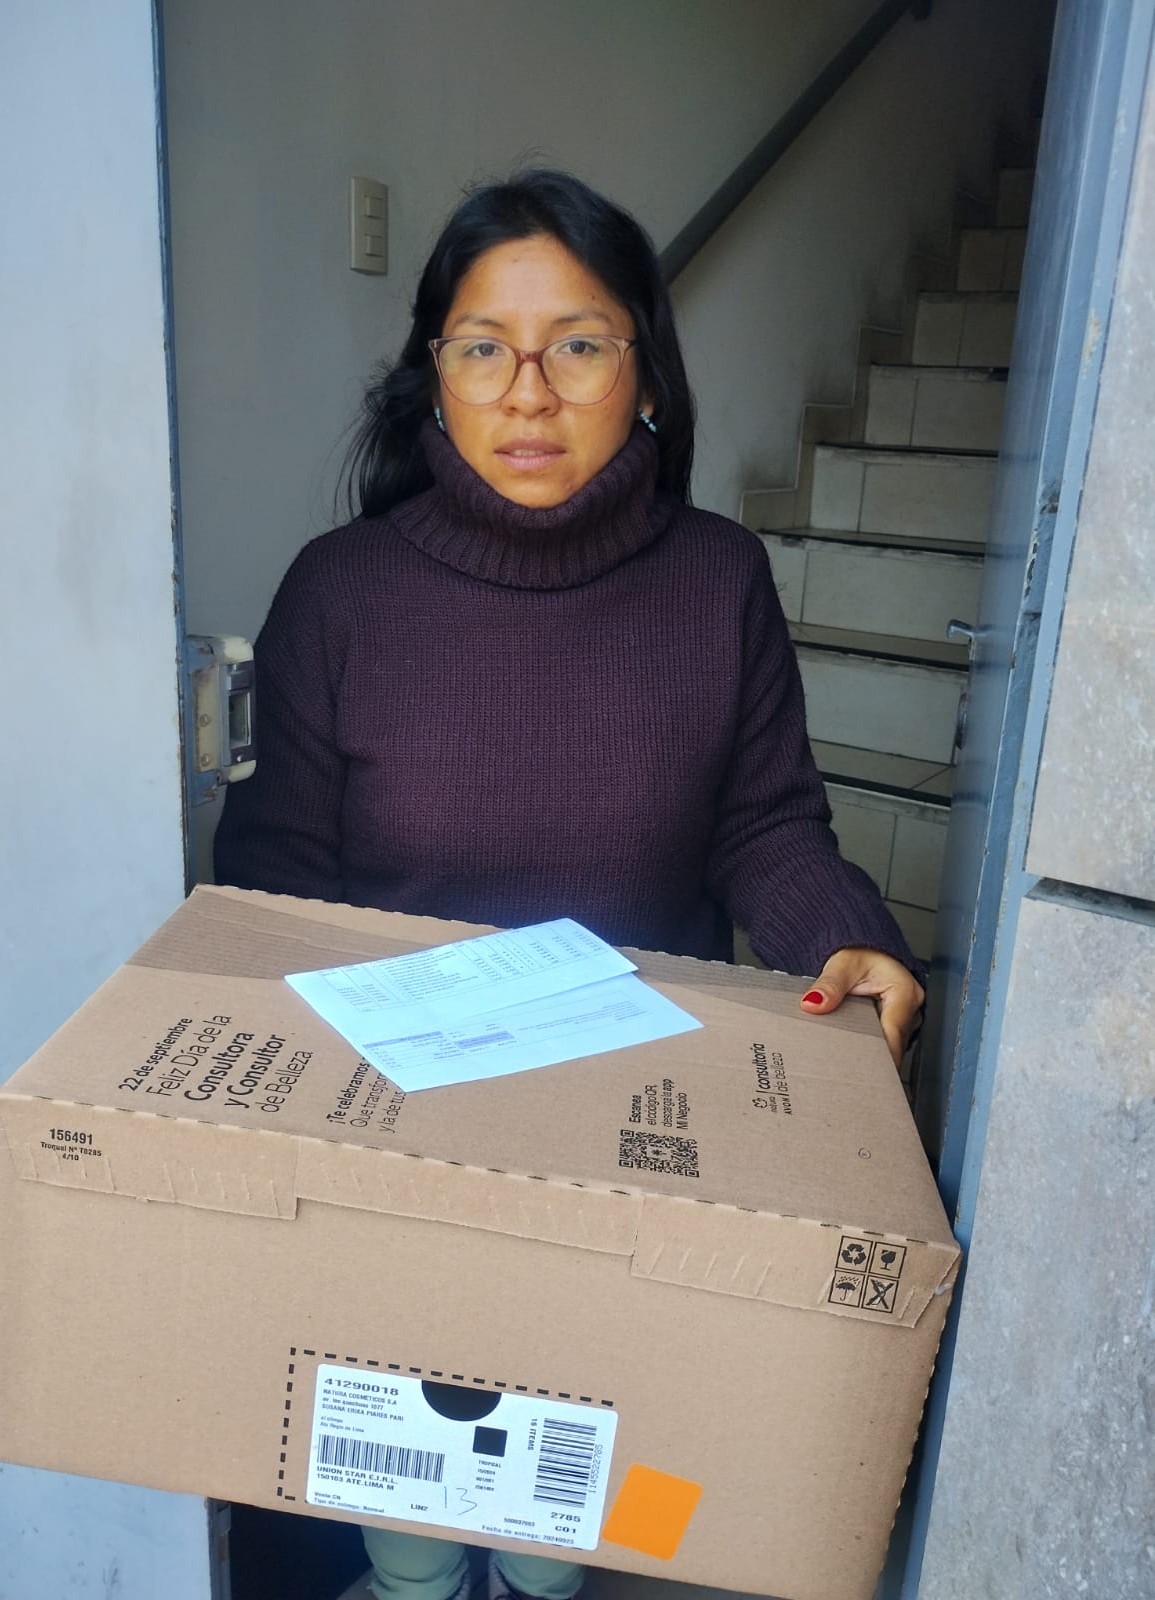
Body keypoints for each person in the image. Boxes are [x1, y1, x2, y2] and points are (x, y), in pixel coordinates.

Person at [214, 168, 924, 1600]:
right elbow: (271, 879)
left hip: (630, 1135)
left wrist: (850, 939)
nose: (528, 392)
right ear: (433, 375)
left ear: (645, 374)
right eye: (485, 347)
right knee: (411, 1519)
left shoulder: (718, 581)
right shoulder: (339, 592)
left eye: (578, 345)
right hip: (394, 1136)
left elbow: (765, 825)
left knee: (560, 1512)